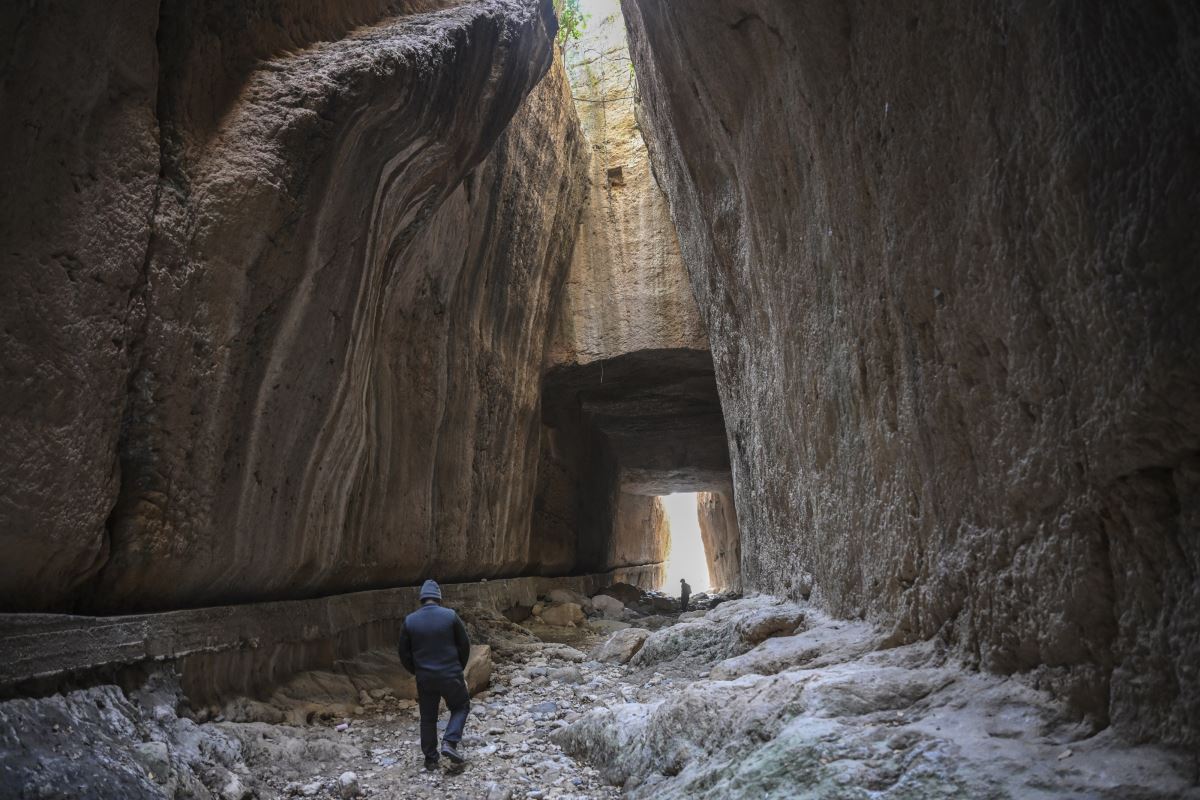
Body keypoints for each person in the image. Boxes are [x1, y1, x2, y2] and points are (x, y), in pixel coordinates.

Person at [397, 580, 472, 771]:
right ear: (438, 597)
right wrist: (458, 668)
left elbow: (403, 654)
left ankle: (431, 760)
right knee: (461, 706)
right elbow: (464, 645)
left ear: (422, 599)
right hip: (450, 674)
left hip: (425, 678)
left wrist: (417, 670)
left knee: (428, 718)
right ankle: (449, 742)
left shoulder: (410, 621)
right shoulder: (450, 616)